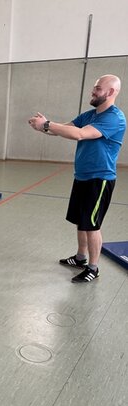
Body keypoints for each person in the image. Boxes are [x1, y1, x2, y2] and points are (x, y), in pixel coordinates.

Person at [28, 75, 126, 283]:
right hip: (82, 176)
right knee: (81, 221)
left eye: (98, 88)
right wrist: (44, 127)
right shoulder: (89, 115)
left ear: (110, 92)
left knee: (91, 225)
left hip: (100, 179)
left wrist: (48, 124)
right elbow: (65, 129)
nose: (93, 91)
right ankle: (81, 258)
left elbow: (80, 134)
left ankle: (93, 267)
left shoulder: (114, 118)